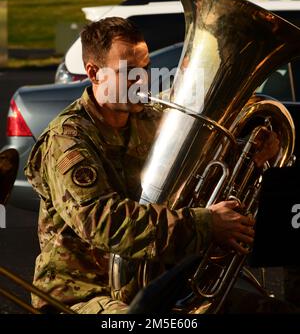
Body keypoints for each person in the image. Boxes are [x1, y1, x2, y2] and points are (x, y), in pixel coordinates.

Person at [25, 17, 279, 314]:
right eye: (129, 72)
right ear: (94, 73)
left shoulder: (151, 119)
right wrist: (205, 224)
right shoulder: (66, 140)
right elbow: (104, 223)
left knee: (271, 310)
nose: (142, 80)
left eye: (145, 68)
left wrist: (251, 156)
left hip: (155, 285)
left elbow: (202, 178)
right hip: (81, 296)